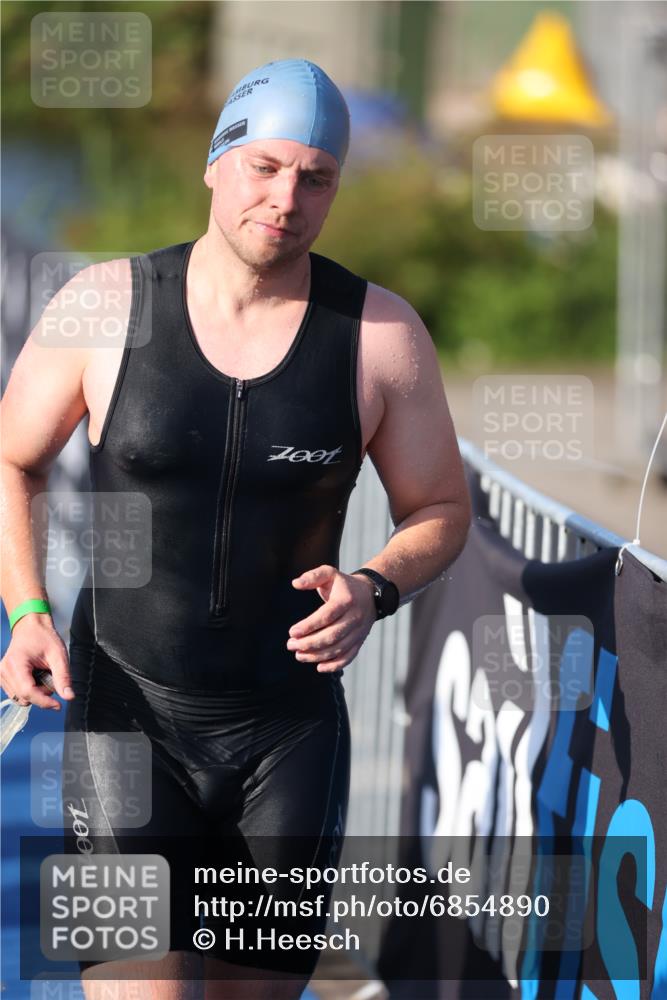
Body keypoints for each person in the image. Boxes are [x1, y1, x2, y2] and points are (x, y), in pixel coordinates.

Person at [0, 59, 471, 999]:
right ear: (215, 163)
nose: (286, 198)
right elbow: (15, 460)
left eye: (315, 177)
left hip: (286, 736)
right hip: (124, 721)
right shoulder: (105, 304)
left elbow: (442, 509)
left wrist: (374, 587)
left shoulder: (378, 335)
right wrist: (27, 612)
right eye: (264, 167)